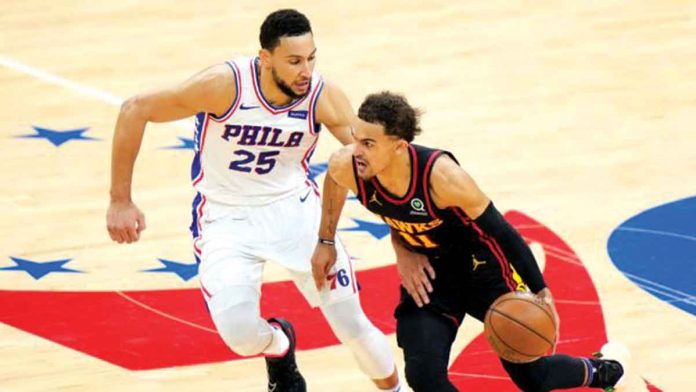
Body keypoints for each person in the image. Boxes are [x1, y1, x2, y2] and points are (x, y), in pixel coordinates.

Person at [106, 9, 402, 392]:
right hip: (226, 218)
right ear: (265, 59)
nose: (305, 71)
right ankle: (280, 345)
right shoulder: (224, 86)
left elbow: (368, 157)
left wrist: (412, 213)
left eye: (311, 59)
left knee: (351, 324)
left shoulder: (322, 96)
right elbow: (135, 109)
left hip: (294, 212)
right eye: (294, 61)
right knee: (241, 335)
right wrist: (120, 200)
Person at [311, 91, 631, 391]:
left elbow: (502, 231)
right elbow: (335, 183)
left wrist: (541, 291)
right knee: (424, 378)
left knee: (532, 375)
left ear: (399, 146)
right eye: (356, 138)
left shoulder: (444, 178)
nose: (357, 151)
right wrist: (326, 241)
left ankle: (605, 371)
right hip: (430, 275)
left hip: (482, 268)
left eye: (368, 143)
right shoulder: (348, 166)